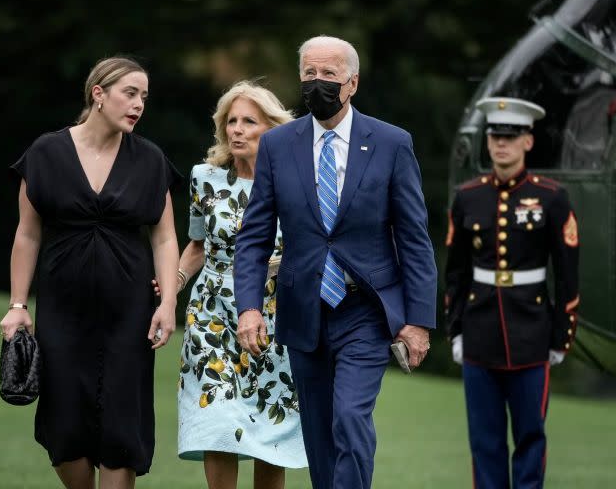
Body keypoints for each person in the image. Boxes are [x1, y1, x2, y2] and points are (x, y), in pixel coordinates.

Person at [233, 35, 438, 489]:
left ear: (352, 83)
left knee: (349, 417)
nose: (317, 83)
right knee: (319, 432)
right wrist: (248, 306)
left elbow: (414, 238)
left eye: (329, 74)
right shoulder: (278, 145)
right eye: (309, 74)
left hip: (365, 308)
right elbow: (254, 237)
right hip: (303, 309)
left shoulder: (390, 143)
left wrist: (418, 320)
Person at [1, 56, 181, 489]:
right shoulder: (46, 153)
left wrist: (169, 303)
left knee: (122, 424)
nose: (138, 104)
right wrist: (18, 305)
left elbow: (164, 238)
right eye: (130, 93)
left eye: (144, 97)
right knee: (64, 424)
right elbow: (27, 235)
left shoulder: (150, 159)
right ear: (98, 94)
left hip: (129, 312)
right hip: (63, 311)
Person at [176, 80, 308, 488]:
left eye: (248, 121)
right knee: (217, 418)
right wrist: (173, 284)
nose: (236, 129)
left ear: (272, 130)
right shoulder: (205, 178)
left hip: (275, 315)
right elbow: (197, 244)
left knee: (272, 425)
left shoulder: (298, 183)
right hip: (212, 315)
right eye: (230, 121)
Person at [444, 97, 580, 489]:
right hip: (479, 332)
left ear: (528, 142)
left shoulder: (552, 197)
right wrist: (456, 330)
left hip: (532, 335)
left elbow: (568, 274)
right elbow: (456, 271)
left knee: (530, 438)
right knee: (484, 443)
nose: (501, 143)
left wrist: (561, 336)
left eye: (511, 136)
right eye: (495, 136)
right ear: (487, 142)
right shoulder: (468, 197)